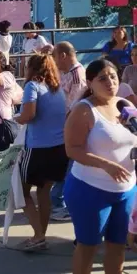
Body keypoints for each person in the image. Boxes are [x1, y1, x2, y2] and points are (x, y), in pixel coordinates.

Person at [64, 59, 137, 274]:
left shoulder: (126, 105)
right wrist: (107, 165)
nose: (110, 82)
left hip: (125, 191)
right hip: (90, 190)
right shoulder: (84, 110)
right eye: (102, 78)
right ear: (90, 82)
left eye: (113, 76)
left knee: (117, 245)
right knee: (89, 246)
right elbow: (73, 149)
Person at [14, 54, 68, 251]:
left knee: (21, 191)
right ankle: (41, 235)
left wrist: (15, 118)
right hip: (58, 149)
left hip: (37, 149)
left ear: (32, 68)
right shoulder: (58, 89)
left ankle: (38, 235)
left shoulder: (32, 86)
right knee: (44, 192)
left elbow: (29, 115)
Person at [50, 42, 87, 222]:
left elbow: (74, 105)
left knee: (70, 167)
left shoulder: (77, 75)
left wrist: (65, 127)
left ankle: (60, 203)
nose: (55, 62)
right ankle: (58, 201)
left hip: (71, 129)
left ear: (63, 55)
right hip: (64, 128)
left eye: (55, 57)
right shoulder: (67, 74)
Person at [53, 42, 88, 112]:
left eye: (54, 57)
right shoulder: (63, 70)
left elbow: (72, 107)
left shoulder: (77, 77)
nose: (53, 61)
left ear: (63, 56)